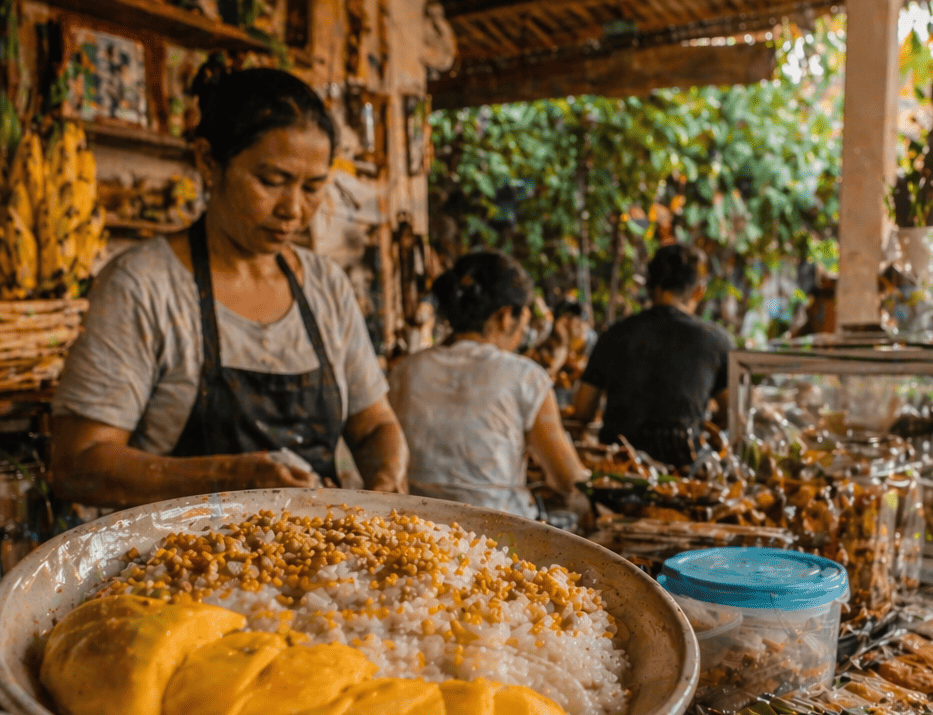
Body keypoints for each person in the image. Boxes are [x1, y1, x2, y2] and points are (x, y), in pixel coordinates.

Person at [49, 65, 408, 509]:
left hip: (319, 561)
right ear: (208, 161)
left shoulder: (326, 286)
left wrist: (388, 487)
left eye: (313, 187)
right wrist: (231, 478)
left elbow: (374, 427)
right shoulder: (143, 286)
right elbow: (77, 464)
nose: (293, 209)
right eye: (271, 182)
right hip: (178, 565)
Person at [388, 250, 590, 521]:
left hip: (411, 527)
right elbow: (567, 480)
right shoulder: (525, 376)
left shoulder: (404, 371)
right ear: (506, 316)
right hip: (497, 537)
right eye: (524, 322)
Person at [570, 242, 732, 466]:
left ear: (649, 285)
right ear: (699, 290)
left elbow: (582, 410)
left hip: (618, 472)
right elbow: (733, 413)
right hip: (683, 478)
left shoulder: (614, 335)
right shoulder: (715, 341)